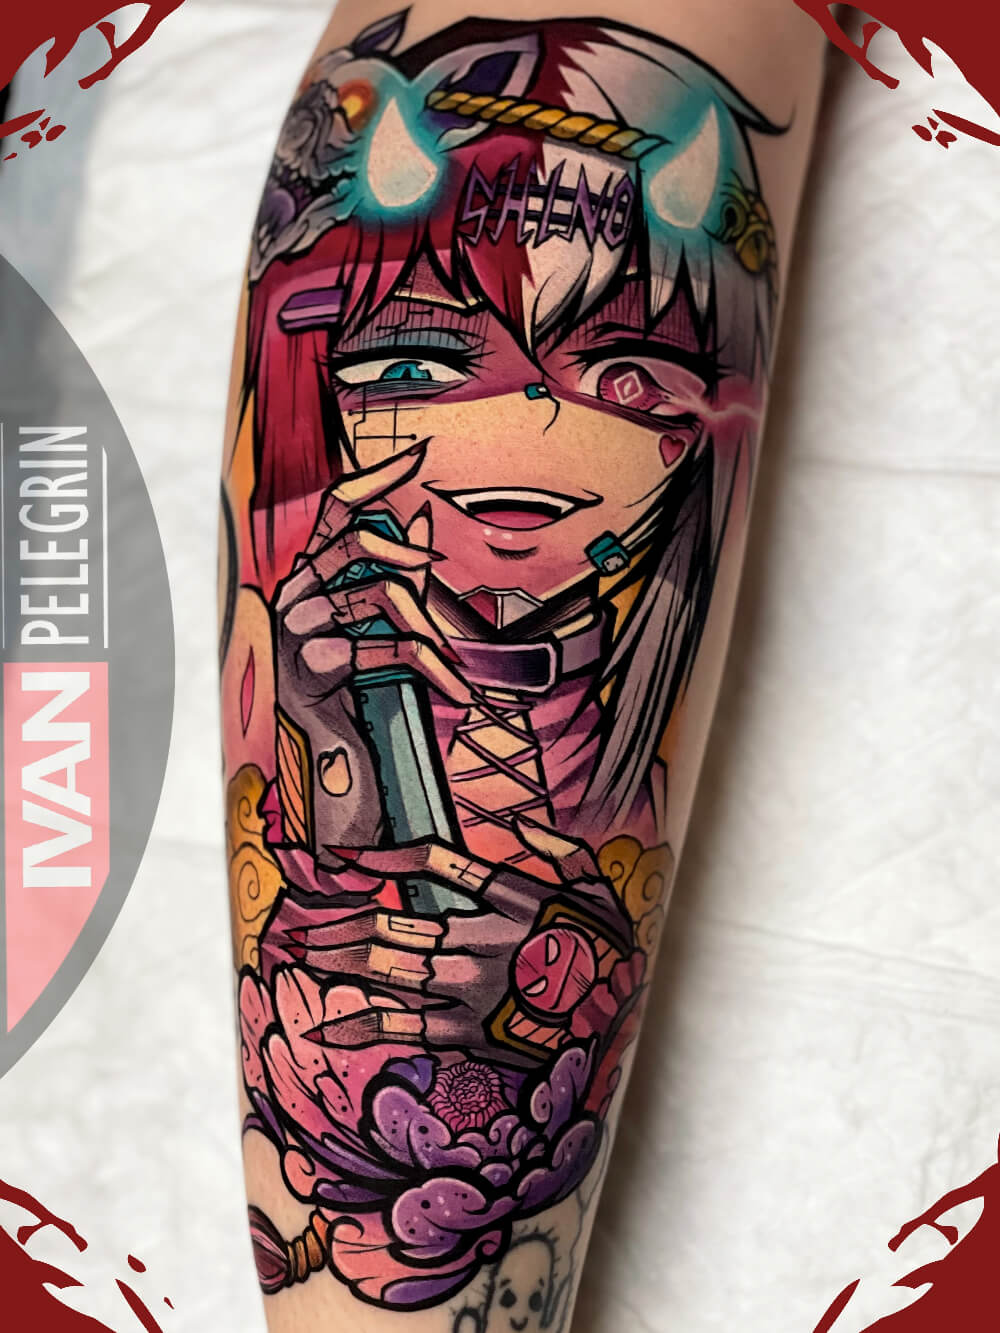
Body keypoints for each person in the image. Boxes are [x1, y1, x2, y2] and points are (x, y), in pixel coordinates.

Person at [218, 3, 824, 1327]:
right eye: (421, 361)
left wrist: (548, 947)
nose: (531, 424)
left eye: (628, 377)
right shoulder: (334, 640)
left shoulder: (605, 695)